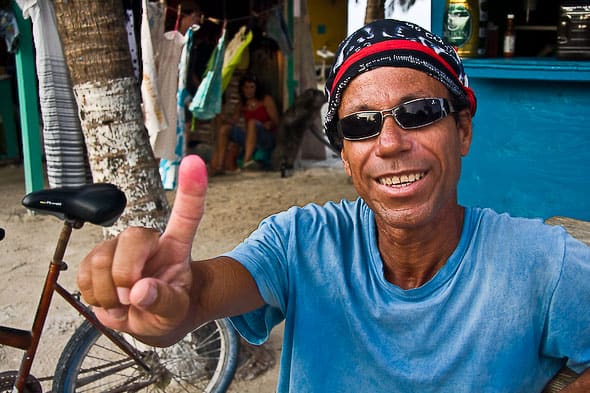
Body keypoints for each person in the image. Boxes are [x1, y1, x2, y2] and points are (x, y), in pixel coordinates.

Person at [77, 19, 590, 392]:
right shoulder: (300, 243)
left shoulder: (543, 263)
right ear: (346, 156)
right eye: (361, 125)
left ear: (462, 132)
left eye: (419, 113)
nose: (388, 143)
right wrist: (175, 296)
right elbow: (207, 289)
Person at [209, 73, 280, 173]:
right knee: (225, 129)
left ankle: (246, 162)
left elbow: (276, 122)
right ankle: (220, 166)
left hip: (266, 137)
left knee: (252, 123)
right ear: (242, 89)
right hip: (250, 138)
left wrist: (269, 124)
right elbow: (233, 121)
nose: (249, 90)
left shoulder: (266, 100)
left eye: (252, 87)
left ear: (257, 88)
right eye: (246, 87)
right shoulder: (241, 104)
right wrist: (222, 116)